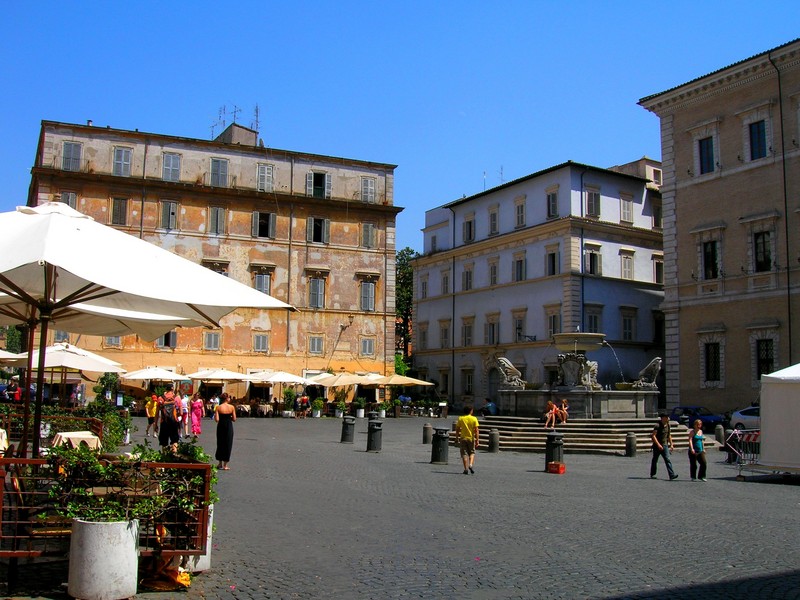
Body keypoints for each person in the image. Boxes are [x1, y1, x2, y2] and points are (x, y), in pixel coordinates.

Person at [651, 411, 678, 480]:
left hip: (665, 445)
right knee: (655, 460)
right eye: (666, 417)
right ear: (662, 418)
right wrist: (658, 445)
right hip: (657, 446)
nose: (668, 418)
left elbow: (669, 435)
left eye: (668, 417)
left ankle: (671, 475)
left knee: (667, 459)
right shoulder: (657, 425)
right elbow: (653, 436)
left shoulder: (668, 425)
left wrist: (671, 444)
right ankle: (653, 474)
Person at [455, 405, 480, 475]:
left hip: (463, 438)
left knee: (464, 453)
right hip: (471, 438)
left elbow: (457, 429)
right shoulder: (474, 418)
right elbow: (476, 430)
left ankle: (465, 468)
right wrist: (477, 440)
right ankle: (470, 464)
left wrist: (456, 437)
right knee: (472, 452)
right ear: (471, 411)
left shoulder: (461, 418)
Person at [215, 393, 236, 470]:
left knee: (220, 443)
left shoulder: (218, 407)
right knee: (228, 443)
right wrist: (229, 417)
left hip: (221, 426)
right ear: (227, 399)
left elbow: (217, 419)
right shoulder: (232, 407)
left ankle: (219, 463)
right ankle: (225, 465)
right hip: (228, 426)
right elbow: (234, 419)